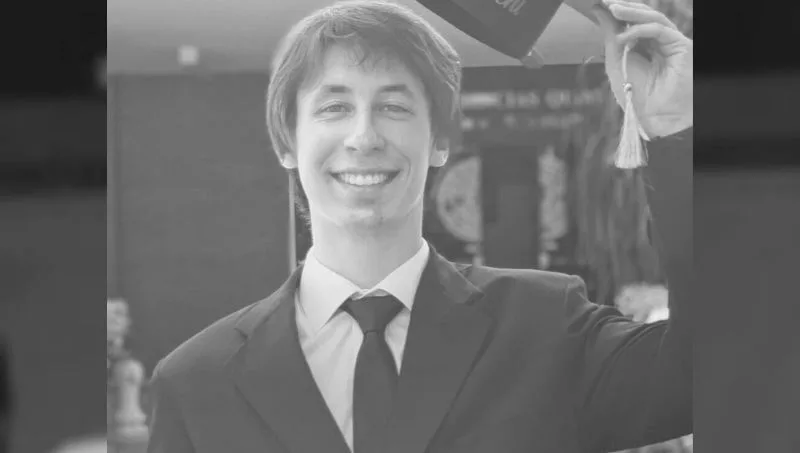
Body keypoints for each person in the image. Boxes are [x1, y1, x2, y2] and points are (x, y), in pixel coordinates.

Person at [147, 0, 693, 452]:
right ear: (286, 143)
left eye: (394, 107)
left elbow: (706, 370)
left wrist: (677, 132)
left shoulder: (546, 327)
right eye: (334, 108)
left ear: (440, 142)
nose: (364, 137)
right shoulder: (197, 382)